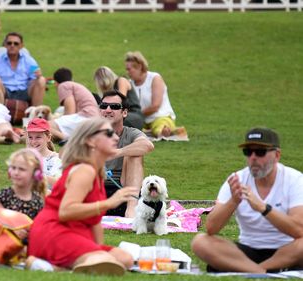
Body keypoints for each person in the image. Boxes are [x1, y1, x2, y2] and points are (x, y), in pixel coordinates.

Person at [27, 117, 139, 275]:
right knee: (104, 261)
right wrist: (108, 203)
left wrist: (97, 249)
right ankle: (52, 266)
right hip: (54, 231)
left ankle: (57, 265)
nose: (116, 137)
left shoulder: (96, 172)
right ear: (91, 141)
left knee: (125, 259)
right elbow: (66, 211)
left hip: (74, 232)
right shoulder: (84, 170)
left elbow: (95, 222)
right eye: (108, 133)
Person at [191, 127, 303, 273]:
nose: (253, 157)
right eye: (248, 152)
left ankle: (254, 270)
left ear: (277, 155)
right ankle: (263, 272)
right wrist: (233, 201)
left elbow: (299, 230)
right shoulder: (237, 180)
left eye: (260, 152)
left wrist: (263, 208)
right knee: (200, 242)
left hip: (288, 250)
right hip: (247, 251)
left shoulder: (295, 180)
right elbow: (211, 228)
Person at [100, 90, 154, 217]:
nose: (107, 110)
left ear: (124, 112)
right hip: (96, 189)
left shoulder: (130, 133)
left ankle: (131, 210)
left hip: (124, 190)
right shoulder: (90, 133)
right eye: (103, 106)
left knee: (134, 153)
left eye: (114, 107)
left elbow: (147, 145)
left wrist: (117, 152)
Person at [125, 51, 179, 138]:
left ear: (139, 67)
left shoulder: (154, 78)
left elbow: (156, 105)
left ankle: (163, 131)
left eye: (129, 69)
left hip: (159, 117)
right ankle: (148, 132)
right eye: (126, 69)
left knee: (160, 125)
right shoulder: (129, 83)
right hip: (141, 120)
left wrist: (136, 115)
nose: (127, 72)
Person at [0, 32, 46, 107]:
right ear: (5, 45)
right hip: (4, 91)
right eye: (9, 43)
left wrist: (38, 75)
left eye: (16, 43)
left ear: (21, 46)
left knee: (41, 80)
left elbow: (35, 75)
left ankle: (35, 114)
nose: (12, 46)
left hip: (24, 91)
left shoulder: (29, 61)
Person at [48, 67, 99, 141]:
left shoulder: (63, 85)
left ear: (56, 82)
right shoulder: (74, 85)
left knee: (42, 126)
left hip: (85, 117)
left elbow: (70, 111)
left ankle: (67, 139)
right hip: (93, 119)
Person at [0, 148, 46, 219]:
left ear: (36, 174)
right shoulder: (3, 195)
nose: (16, 173)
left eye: (22, 169)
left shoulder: (37, 202)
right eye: (13, 168)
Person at [94, 66, 144, 130]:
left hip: (133, 115)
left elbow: (119, 101)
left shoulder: (121, 80)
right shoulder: (107, 91)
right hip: (121, 116)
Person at [26, 118, 62, 189]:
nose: (33, 142)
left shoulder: (56, 159)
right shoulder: (26, 159)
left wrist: (39, 175)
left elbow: (60, 184)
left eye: (38, 137)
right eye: (30, 137)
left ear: (48, 137)